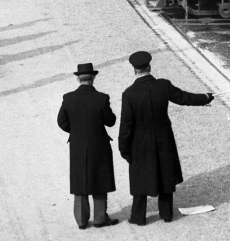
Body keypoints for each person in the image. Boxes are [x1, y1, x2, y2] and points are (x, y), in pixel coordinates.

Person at [118, 50, 213, 225]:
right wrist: (205, 97)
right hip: (163, 137)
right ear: (149, 66)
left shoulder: (129, 94)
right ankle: (167, 214)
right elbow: (185, 98)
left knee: (140, 178)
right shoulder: (163, 85)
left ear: (134, 70)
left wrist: (124, 149)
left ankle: (138, 217)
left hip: (140, 141)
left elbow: (126, 125)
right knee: (165, 173)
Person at [57, 62, 119, 230]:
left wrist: (76, 131)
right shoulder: (102, 98)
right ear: (93, 78)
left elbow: (61, 121)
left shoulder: (68, 98)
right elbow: (111, 121)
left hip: (77, 145)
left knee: (80, 180)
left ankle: (82, 220)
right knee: (100, 179)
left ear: (78, 79)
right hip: (99, 144)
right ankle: (100, 218)